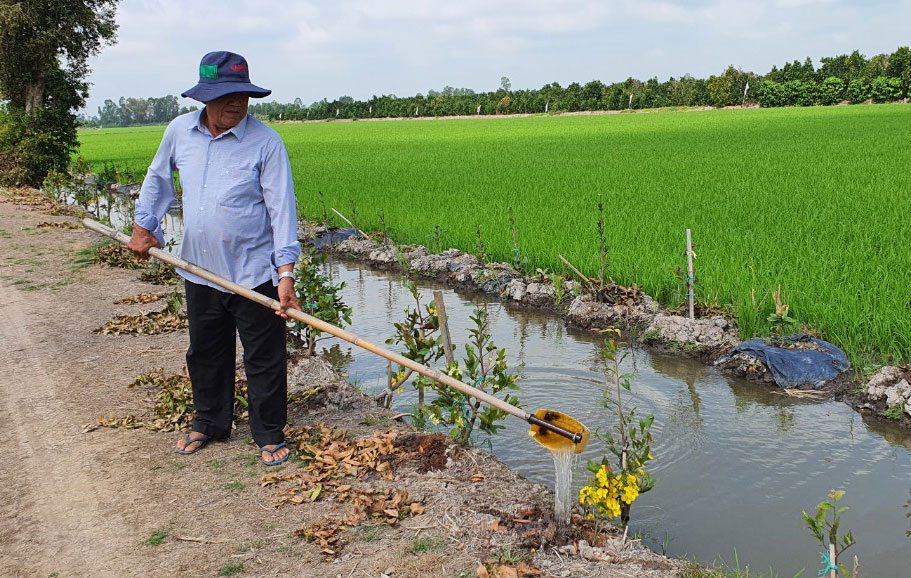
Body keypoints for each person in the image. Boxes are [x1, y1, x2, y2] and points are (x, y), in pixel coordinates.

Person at [127, 51, 300, 465]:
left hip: (252, 273)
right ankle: (209, 422)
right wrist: (144, 223)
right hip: (199, 270)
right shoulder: (179, 132)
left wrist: (286, 273)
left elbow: (282, 209)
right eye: (226, 96)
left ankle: (268, 432)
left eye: (242, 95)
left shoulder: (266, 142)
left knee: (264, 358)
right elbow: (157, 176)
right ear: (204, 98)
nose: (236, 104)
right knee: (205, 351)